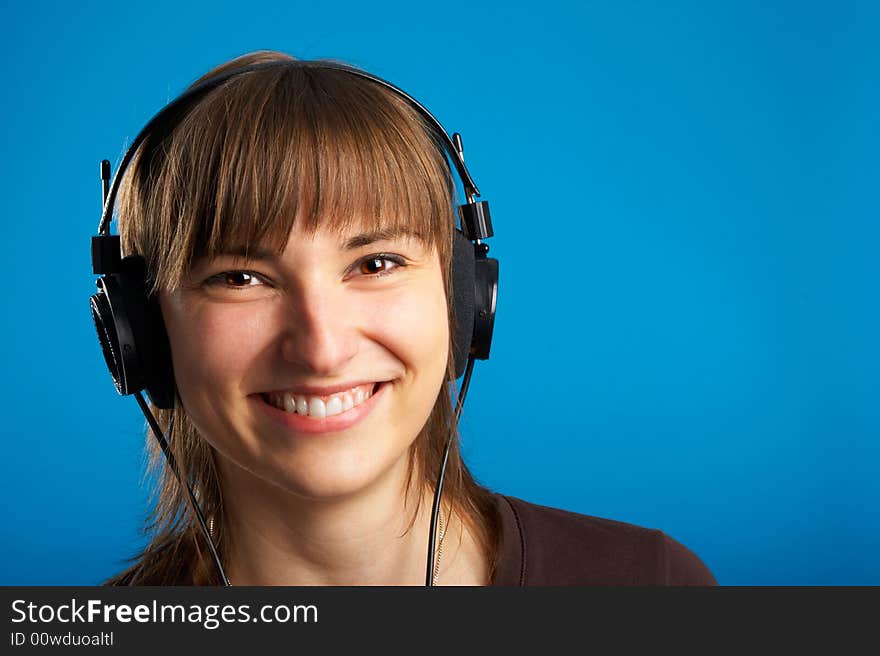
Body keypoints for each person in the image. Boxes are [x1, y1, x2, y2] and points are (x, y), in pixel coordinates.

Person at [97, 50, 716, 586]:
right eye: (240, 278)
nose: (323, 349)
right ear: (142, 333)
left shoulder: (652, 586)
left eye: (376, 263)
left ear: (462, 298)